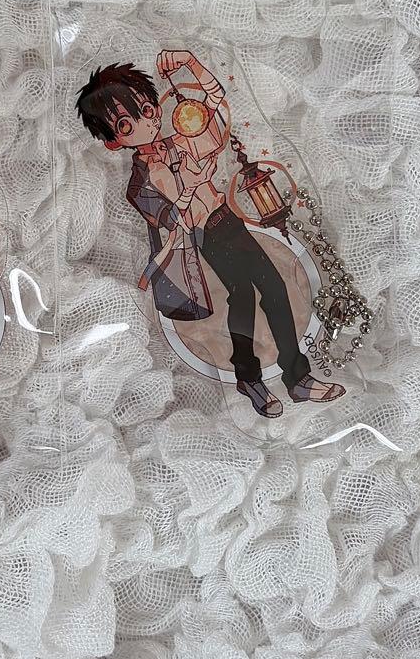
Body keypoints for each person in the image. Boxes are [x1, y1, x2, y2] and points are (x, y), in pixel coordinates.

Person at [75, 51, 342, 417]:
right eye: (125, 125)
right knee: (245, 296)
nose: (144, 122)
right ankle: (257, 378)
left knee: (272, 290)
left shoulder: (182, 141)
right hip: (205, 238)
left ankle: (291, 377)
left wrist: (191, 63)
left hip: (228, 221)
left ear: (156, 106)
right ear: (113, 142)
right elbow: (172, 220)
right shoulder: (139, 183)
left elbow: (217, 109)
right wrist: (190, 187)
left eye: (146, 110)